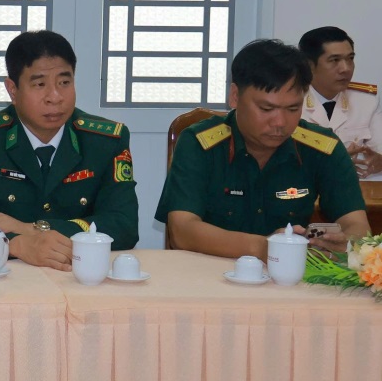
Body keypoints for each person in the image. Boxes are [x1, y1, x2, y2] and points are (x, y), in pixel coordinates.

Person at [156, 38, 369, 259]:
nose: (280, 122)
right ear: (235, 96)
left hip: (289, 274)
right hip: (211, 271)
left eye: (293, 108)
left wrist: (346, 243)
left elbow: (357, 226)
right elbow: (182, 231)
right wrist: (263, 248)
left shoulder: (322, 147)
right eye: (267, 109)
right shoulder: (199, 143)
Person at [0, 30, 138, 269]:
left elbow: (124, 225)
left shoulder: (106, 141)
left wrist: (32, 229)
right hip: (2, 274)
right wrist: (14, 245)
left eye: (64, 83)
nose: (54, 97)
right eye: (39, 84)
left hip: (76, 272)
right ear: (12, 90)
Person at [298, 26, 382, 177]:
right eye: (334, 60)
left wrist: (378, 161)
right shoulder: (290, 102)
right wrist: (337, 161)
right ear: (309, 65)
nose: (346, 68)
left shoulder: (366, 102)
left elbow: (379, 150)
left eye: (350, 59)